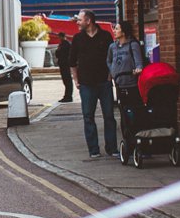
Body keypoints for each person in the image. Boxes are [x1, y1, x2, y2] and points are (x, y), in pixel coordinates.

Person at [70, 9, 116, 158]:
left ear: (88, 21)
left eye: (79, 20)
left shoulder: (106, 36)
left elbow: (112, 58)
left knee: (109, 116)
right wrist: (76, 80)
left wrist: (110, 76)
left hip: (104, 82)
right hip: (86, 84)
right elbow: (72, 62)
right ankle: (94, 150)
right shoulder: (77, 38)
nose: (77, 22)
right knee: (88, 116)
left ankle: (112, 148)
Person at [109, 21, 147, 141]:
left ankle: (139, 137)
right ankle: (127, 139)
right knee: (123, 113)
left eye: (117, 29)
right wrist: (113, 71)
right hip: (120, 84)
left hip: (132, 84)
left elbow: (139, 61)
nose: (114, 31)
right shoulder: (112, 46)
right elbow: (109, 61)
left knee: (135, 112)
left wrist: (138, 69)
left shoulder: (133, 45)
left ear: (124, 32)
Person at [55, 31, 74, 102]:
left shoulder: (65, 44)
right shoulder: (64, 44)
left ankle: (68, 96)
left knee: (67, 80)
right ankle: (67, 96)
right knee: (66, 80)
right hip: (63, 64)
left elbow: (58, 53)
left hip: (65, 64)